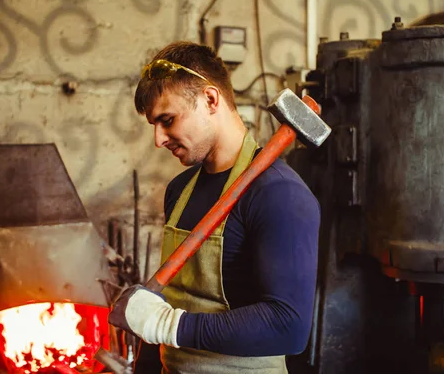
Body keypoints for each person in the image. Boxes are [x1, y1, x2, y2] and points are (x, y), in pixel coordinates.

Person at [108, 41, 320, 374]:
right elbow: (168, 303)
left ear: (210, 99)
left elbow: (288, 327)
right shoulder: (179, 191)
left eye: (168, 120)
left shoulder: (279, 194)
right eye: (154, 125)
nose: (159, 140)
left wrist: (169, 326)